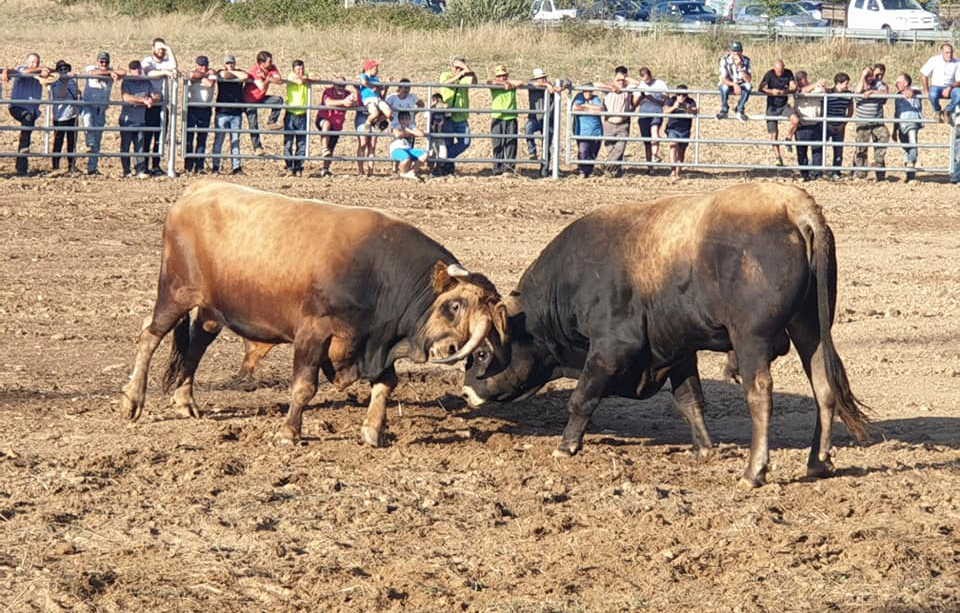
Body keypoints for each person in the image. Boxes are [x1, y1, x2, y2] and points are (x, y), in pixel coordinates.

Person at [2, 53, 56, 176]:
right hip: (18, 107)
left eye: (37, 62)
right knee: (27, 121)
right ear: (27, 62)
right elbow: (22, 71)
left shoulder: (41, 75)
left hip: (31, 111)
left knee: (27, 130)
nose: (35, 64)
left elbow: (55, 72)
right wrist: (41, 69)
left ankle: (22, 167)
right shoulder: (23, 69)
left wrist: (47, 70)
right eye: (32, 62)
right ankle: (22, 160)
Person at [80, 52, 122, 176]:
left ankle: (92, 167)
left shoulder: (112, 71)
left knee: (98, 139)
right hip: (88, 105)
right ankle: (89, 143)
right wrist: (110, 73)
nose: (103, 64)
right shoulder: (91, 68)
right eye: (101, 61)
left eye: (106, 62)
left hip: (101, 109)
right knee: (87, 122)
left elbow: (124, 72)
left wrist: (112, 72)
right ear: (97, 61)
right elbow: (93, 73)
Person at [141, 37, 178, 175]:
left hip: (163, 105)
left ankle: (156, 165)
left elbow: (174, 66)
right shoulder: (147, 61)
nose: (160, 51)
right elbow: (148, 73)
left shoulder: (166, 62)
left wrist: (169, 49)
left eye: (162, 49)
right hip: (150, 105)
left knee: (160, 136)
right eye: (158, 48)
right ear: (153, 49)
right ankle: (143, 165)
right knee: (147, 136)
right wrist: (165, 72)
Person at [436, 57, 477, 176]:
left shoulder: (465, 77)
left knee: (465, 141)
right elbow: (446, 83)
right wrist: (460, 74)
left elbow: (474, 82)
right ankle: (446, 168)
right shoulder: (446, 75)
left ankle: (443, 160)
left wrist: (467, 70)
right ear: (451, 67)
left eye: (460, 67)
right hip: (448, 116)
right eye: (456, 67)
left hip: (461, 116)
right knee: (448, 142)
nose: (458, 69)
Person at [119, 60, 159, 179]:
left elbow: (156, 94)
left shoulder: (146, 82)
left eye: (138, 68)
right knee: (125, 146)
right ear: (130, 70)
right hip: (127, 119)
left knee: (139, 146)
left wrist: (153, 99)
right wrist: (143, 100)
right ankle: (126, 171)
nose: (137, 70)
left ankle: (140, 170)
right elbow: (126, 97)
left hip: (141, 119)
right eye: (134, 68)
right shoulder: (127, 82)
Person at [759, 60, 799, 166]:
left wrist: (787, 91)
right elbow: (761, 88)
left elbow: (793, 87)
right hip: (772, 106)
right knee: (773, 133)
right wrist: (771, 92)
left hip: (784, 105)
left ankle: (788, 138)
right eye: (778, 71)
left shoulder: (789, 73)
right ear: (774, 68)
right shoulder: (769, 74)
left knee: (795, 120)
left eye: (781, 70)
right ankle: (778, 158)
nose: (779, 73)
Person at [854, 64, 890, 181]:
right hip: (863, 122)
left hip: (877, 122)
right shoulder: (860, 84)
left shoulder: (880, 84)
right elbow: (857, 95)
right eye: (875, 74)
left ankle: (880, 173)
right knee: (861, 148)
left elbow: (885, 93)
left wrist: (871, 93)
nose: (877, 76)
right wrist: (863, 77)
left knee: (883, 139)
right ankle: (860, 174)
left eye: (881, 74)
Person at [486, 65, 525, 175]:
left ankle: (509, 168)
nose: (502, 77)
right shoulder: (494, 85)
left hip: (511, 117)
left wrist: (509, 83)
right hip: (498, 117)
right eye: (499, 76)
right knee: (498, 143)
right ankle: (497, 168)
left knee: (511, 143)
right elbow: (489, 82)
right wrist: (503, 83)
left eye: (504, 75)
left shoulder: (511, 84)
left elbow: (521, 82)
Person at [243, 50, 283, 155]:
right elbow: (262, 86)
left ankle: (271, 122)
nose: (271, 63)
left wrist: (269, 79)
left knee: (278, 100)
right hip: (249, 100)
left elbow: (279, 81)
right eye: (269, 61)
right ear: (261, 63)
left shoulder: (272, 67)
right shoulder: (255, 71)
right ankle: (257, 147)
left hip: (260, 98)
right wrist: (268, 80)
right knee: (253, 124)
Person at [211, 55, 246, 175]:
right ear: (224, 64)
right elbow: (223, 75)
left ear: (235, 63)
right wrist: (234, 75)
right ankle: (215, 166)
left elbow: (245, 76)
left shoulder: (240, 71)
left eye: (231, 63)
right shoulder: (221, 72)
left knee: (235, 140)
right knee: (219, 140)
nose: (229, 65)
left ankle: (236, 167)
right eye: (227, 63)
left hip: (236, 112)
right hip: (222, 112)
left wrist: (233, 74)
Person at [315, 77, 355, 177]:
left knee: (331, 147)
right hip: (323, 118)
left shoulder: (347, 94)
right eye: (339, 85)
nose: (341, 87)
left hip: (337, 124)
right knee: (326, 124)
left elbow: (355, 103)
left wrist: (351, 102)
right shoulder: (328, 91)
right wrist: (343, 102)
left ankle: (325, 168)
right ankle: (324, 148)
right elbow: (328, 102)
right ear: (334, 85)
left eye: (343, 85)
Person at [184, 56, 217, 174]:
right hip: (192, 108)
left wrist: (200, 77)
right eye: (201, 65)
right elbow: (190, 75)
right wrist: (203, 76)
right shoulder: (196, 73)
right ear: (197, 65)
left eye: (205, 65)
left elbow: (209, 84)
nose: (204, 68)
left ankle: (199, 166)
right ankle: (188, 166)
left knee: (202, 138)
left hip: (205, 109)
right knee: (189, 138)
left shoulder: (212, 73)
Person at [793, 71, 827, 181]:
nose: (801, 81)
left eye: (802, 78)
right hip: (802, 125)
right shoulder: (796, 91)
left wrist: (816, 86)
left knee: (817, 150)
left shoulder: (816, 89)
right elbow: (801, 91)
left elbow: (821, 92)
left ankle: (816, 174)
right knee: (801, 151)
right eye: (799, 79)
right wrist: (815, 84)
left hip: (816, 124)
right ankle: (804, 173)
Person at [525, 67, 559, 174]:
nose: (542, 79)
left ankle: (544, 169)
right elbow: (530, 83)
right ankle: (532, 151)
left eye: (544, 77)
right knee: (528, 129)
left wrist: (556, 87)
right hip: (535, 117)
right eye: (540, 78)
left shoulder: (552, 86)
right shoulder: (532, 86)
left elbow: (566, 82)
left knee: (547, 145)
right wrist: (547, 85)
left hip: (548, 119)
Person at [49, 60, 80, 174]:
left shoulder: (72, 81)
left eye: (65, 69)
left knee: (72, 141)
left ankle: (71, 166)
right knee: (58, 141)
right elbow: (61, 94)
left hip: (72, 114)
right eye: (61, 69)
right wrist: (65, 80)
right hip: (60, 116)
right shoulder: (55, 82)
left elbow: (76, 93)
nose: (64, 71)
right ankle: (55, 166)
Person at [603, 67, 634, 177]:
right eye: (618, 80)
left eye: (623, 79)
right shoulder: (608, 89)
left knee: (620, 148)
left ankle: (607, 166)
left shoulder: (628, 89)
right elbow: (595, 84)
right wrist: (611, 86)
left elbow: (638, 83)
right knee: (610, 148)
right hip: (609, 123)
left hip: (622, 123)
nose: (621, 82)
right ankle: (615, 171)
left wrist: (625, 78)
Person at [282, 59, 312, 177]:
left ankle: (298, 167)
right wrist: (305, 78)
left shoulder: (306, 76)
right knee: (288, 142)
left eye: (302, 68)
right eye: (298, 69)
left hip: (303, 114)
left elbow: (315, 76)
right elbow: (299, 81)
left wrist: (307, 77)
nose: (301, 71)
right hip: (291, 113)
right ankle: (289, 166)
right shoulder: (291, 77)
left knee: (301, 142)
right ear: (293, 70)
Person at [664, 84, 698, 181]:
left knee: (681, 151)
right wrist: (674, 107)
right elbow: (665, 111)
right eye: (679, 94)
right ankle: (673, 171)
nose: (681, 97)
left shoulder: (690, 101)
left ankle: (678, 171)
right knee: (673, 146)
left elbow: (695, 111)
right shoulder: (672, 100)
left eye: (683, 95)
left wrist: (688, 108)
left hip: (685, 129)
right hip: (673, 127)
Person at [636, 67, 669, 168]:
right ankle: (649, 165)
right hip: (644, 114)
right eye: (644, 80)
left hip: (656, 112)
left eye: (647, 79)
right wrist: (641, 97)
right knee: (647, 141)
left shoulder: (660, 83)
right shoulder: (640, 85)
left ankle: (655, 155)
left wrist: (654, 99)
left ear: (650, 75)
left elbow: (666, 97)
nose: (646, 82)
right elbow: (636, 101)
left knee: (655, 131)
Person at [919, 43, 960, 123]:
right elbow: (924, 74)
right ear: (942, 52)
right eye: (947, 52)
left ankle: (947, 110)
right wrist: (926, 90)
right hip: (936, 86)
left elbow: (959, 81)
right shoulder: (934, 60)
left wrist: (950, 87)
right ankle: (937, 111)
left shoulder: (957, 62)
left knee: (959, 94)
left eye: (951, 52)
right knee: (932, 94)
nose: (949, 55)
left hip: (951, 87)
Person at [893, 73, 923, 183]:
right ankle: (908, 172)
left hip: (912, 122)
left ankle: (911, 168)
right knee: (906, 148)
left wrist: (912, 92)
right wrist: (894, 129)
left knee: (913, 144)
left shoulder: (914, 90)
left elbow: (919, 91)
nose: (896, 84)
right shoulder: (897, 95)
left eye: (898, 82)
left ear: (905, 83)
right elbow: (896, 113)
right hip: (901, 124)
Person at [825, 72, 854, 179]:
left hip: (840, 125)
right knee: (821, 147)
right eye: (846, 83)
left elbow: (850, 110)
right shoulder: (828, 93)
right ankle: (817, 169)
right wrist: (826, 122)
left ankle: (836, 171)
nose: (847, 86)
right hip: (827, 124)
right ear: (838, 83)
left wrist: (844, 123)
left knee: (838, 149)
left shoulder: (848, 95)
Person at [572, 84, 604, 178]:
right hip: (582, 131)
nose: (587, 93)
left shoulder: (596, 98)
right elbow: (576, 108)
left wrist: (585, 106)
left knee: (593, 152)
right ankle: (582, 171)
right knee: (583, 151)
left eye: (590, 91)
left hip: (596, 131)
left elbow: (600, 109)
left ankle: (589, 171)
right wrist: (591, 108)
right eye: (585, 91)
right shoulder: (579, 97)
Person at [717, 41, 752, 121]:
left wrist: (740, 66)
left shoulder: (746, 61)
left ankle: (740, 110)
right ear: (730, 51)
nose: (735, 53)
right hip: (729, 83)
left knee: (748, 86)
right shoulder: (724, 60)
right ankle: (724, 110)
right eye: (733, 51)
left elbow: (748, 80)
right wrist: (734, 85)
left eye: (738, 51)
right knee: (724, 87)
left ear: (741, 52)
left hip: (741, 84)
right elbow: (723, 79)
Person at [389, 111, 428, 181]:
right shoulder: (396, 126)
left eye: (406, 119)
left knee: (424, 154)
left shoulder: (411, 126)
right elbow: (398, 135)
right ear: (399, 120)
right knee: (406, 158)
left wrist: (408, 130)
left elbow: (421, 134)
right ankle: (403, 173)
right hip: (397, 149)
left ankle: (411, 172)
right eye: (402, 119)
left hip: (408, 149)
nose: (404, 121)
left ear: (409, 119)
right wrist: (411, 132)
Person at [358, 59, 392, 129]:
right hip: (369, 99)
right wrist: (372, 87)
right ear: (369, 69)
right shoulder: (364, 75)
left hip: (378, 99)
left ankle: (376, 122)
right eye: (375, 69)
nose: (377, 71)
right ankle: (368, 122)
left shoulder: (376, 79)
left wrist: (386, 84)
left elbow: (381, 88)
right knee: (375, 113)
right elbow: (364, 82)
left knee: (389, 113)